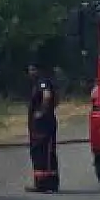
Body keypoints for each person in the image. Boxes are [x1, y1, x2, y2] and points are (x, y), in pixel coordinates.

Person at [26, 62, 60, 193]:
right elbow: (55, 100)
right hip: (40, 125)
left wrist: (42, 112)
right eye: (29, 70)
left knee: (43, 152)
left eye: (33, 69)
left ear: (38, 70)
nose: (31, 72)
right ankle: (47, 183)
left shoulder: (42, 82)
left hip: (43, 125)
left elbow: (47, 96)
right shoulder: (39, 83)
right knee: (41, 152)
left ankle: (44, 184)